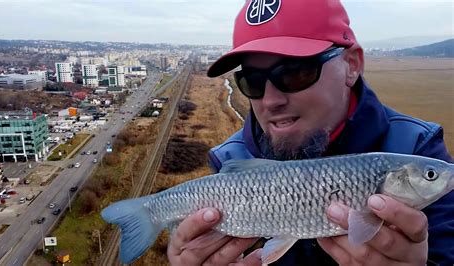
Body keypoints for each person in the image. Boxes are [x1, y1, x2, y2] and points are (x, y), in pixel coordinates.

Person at [167, 0, 454, 265]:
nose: (270, 100)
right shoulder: (230, 160)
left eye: (294, 73)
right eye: (252, 81)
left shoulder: (417, 150)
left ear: (351, 65)